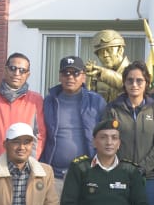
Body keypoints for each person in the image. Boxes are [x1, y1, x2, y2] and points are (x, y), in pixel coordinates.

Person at [105, 61, 154, 205]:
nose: (134, 84)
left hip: (147, 177)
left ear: (146, 82)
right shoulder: (113, 109)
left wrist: (140, 169)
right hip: (118, 175)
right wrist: (122, 169)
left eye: (139, 80)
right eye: (130, 80)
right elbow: (106, 141)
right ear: (124, 83)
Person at [42, 55, 107, 188]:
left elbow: (106, 136)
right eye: (66, 73)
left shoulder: (96, 102)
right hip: (54, 176)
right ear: (60, 77)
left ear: (84, 77)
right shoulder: (49, 101)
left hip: (86, 174)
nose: (70, 77)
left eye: (75, 73)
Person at [0, 53, 47, 162]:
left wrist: (28, 162)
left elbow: (40, 136)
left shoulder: (35, 100)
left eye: (22, 70)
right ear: (5, 70)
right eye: (13, 68)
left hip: (24, 167)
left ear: (27, 75)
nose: (17, 73)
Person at [83, 29, 131, 103]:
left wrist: (103, 74)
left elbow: (129, 83)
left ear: (120, 50)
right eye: (101, 52)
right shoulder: (97, 75)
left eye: (109, 50)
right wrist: (88, 80)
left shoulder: (135, 71)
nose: (105, 55)